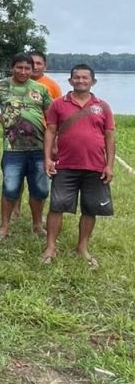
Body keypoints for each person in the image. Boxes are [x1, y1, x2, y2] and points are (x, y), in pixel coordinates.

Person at [41, 64, 115, 268]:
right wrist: (47, 159)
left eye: (85, 77)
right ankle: (50, 247)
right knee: (57, 206)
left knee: (90, 208)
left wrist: (109, 165)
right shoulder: (58, 104)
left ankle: (82, 247)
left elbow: (109, 136)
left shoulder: (103, 106)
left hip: (95, 166)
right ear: (70, 81)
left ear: (93, 81)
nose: (81, 80)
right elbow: (50, 131)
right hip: (64, 165)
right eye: (77, 77)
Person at [0, 53, 52, 239]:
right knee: (10, 187)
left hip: (39, 147)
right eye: (19, 67)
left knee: (40, 189)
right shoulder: (1, 86)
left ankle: (37, 224)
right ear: (12, 67)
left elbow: (52, 116)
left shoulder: (41, 89)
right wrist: (1, 119)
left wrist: (54, 143)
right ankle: (4, 227)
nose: (23, 71)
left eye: (27, 68)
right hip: (13, 149)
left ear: (32, 69)